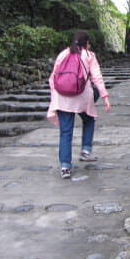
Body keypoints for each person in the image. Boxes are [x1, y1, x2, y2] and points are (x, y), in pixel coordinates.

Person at [47, 30, 111, 179]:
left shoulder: (63, 53)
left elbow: (53, 78)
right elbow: (97, 78)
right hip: (81, 96)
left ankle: (65, 167)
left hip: (62, 97)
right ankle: (86, 151)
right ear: (86, 43)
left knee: (65, 131)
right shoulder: (89, 55)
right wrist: (105, 97)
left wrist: (54, 96)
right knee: (89, 119)